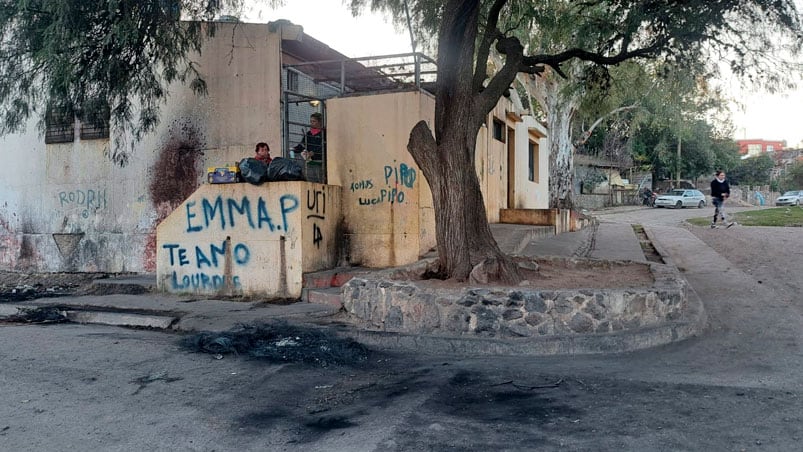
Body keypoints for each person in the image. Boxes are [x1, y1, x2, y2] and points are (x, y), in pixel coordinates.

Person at [293, 113, 326, 183]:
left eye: (314, 121)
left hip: (320, 161)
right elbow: (302, 145)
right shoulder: (308, 134)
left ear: (319, 122)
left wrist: (313, 153)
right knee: (310, 179)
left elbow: (324, 146)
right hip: (309, 161)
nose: (311, 123)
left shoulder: (324, 133)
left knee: (320, 180)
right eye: (311, 121)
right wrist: (294, 149)